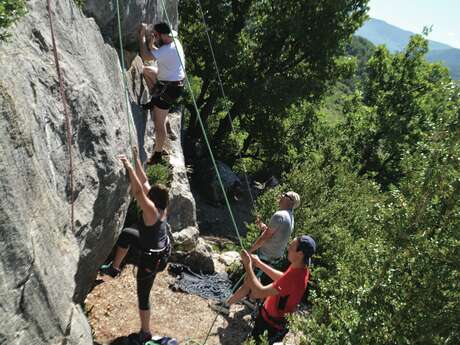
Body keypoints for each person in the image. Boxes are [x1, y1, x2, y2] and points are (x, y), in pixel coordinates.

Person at [100, 146, 171, 344]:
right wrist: (136, 157)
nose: (148, 196)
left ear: (152, 200)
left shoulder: (151, 210)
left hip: (152, 259)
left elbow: (139, 190)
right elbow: (145, 182)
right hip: (158, 248)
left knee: (143, 295)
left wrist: (128, 166)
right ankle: (115, 268)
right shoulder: (161, 205)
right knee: (127, 235)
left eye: (150, 196)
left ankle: (145, 332)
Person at [211, 191, 300, 314]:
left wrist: (249, 251)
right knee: (255, 279)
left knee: (248, 282)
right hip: (274, 257)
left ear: (290, 201)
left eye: (284, 195)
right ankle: (252, 300)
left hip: (265, 256)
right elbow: (274, 233)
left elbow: (265, 238)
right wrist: (263, 226)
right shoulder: (290, 217)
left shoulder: (279, 215)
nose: (281, 196)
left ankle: (226, 306)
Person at [242, 235, 316, 344]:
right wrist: (259, 263)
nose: (288, 248)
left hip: (269, 325)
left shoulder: (294, 277)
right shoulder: (301, 267)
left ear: (300, 254)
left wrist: (248, 266)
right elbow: (283, 278)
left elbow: (259, 292)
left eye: (291, 247)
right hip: (272, 320)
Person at [138, 22, 185, 165]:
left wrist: (142, 36)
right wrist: (152, 44)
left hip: (169, 88)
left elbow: (146, 56)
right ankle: (156, 101)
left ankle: (158, 153)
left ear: (161, 35)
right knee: (146, 71)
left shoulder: (168, 49)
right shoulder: (173, 42)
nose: (155, 37)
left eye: (156, 35)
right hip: (172, 82)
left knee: (159, 124)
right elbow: (156, 54)